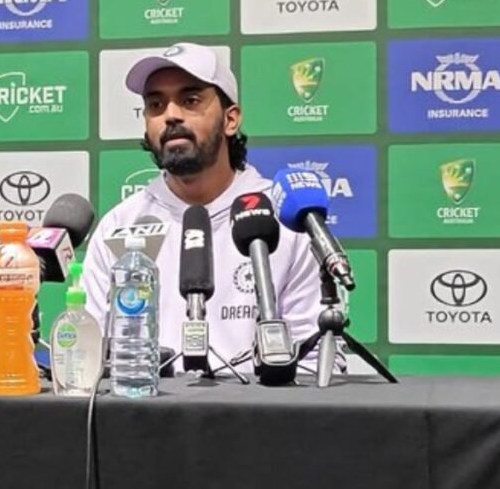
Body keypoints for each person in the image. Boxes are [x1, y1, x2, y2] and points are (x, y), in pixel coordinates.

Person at [80, 42, 321, 373]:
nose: (171, 115)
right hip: (142, 417)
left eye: (190, 100)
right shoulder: (119, 225)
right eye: (155, 104)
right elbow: (90, 360)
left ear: (231, 119)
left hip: (261, 419)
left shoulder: (286, 221)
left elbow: (315, 361)